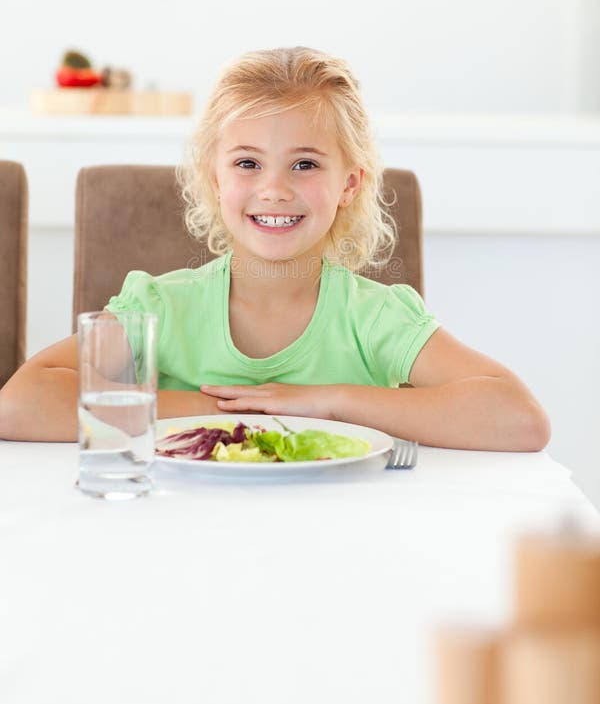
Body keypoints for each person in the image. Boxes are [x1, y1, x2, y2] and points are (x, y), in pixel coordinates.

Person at [0, 47, 550, 450]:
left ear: (350, 185)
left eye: (305, 164)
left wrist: (325, 403)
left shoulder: (375, 317)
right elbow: (19, 403)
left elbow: (520, 420)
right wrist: (230, 411)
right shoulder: (161, 309)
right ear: (216, 179)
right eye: (247, 163)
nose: (275, 189)